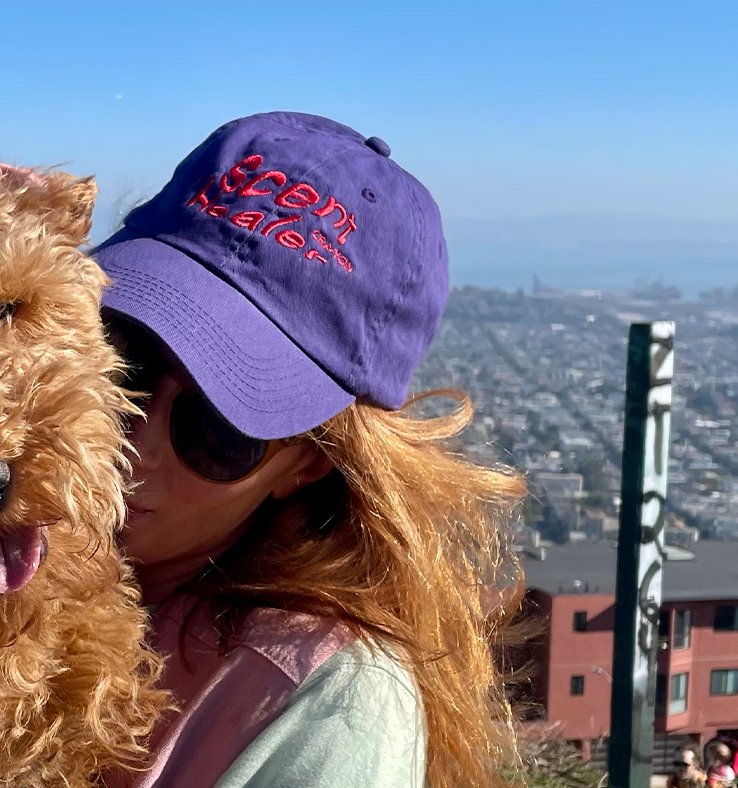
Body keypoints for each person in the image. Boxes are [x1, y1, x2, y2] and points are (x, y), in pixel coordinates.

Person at [93, 112, 524, 788]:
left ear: (309, 461)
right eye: (121, 366)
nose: (132, 442)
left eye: (217, 427)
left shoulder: (326, 702)